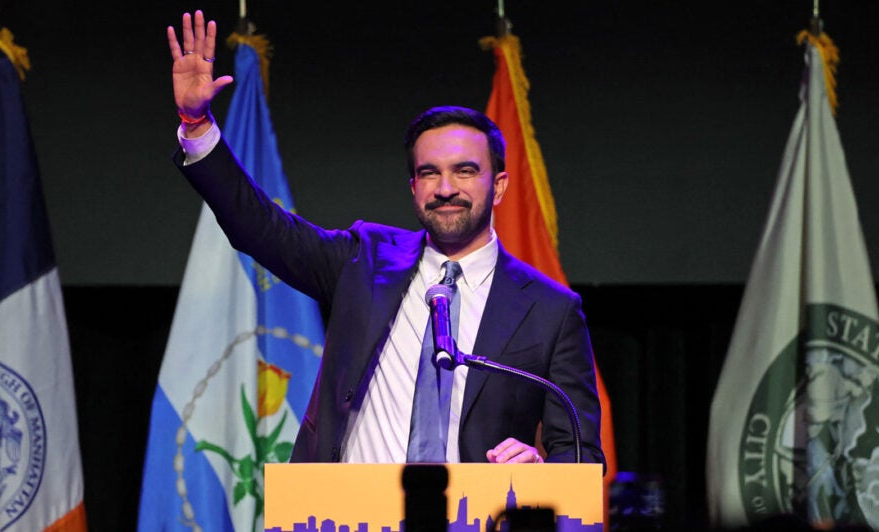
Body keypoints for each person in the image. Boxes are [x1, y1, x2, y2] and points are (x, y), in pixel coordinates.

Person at [166, 11, 604, 465]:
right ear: (414, 188)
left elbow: (581, 455)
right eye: (429, 173)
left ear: (499, 186)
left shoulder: (551, 311)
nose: (446, 188)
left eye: (465, 171)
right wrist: (198, 128)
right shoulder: (364, 260)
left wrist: (541, 471)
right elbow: (261, 227)